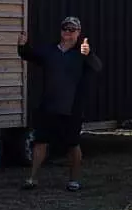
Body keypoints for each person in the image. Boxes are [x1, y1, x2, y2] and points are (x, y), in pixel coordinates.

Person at [17, 16, 103, 192]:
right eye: (65, 29)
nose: (68, 33)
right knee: (40, 141)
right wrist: (22, 45)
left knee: (72, 144)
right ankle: (32, 178)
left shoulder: (82, 53)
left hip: (72, 107)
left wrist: (89, 54)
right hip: (48, 105)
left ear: (78, 33)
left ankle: (74, 180)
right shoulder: (50, 51)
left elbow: (97, 67)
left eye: (72, 30)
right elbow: (29, 55)